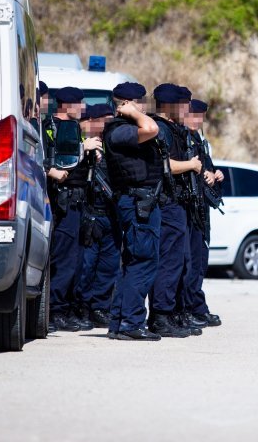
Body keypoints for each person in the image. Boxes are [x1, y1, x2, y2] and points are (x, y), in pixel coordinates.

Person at [103, 82, 163, 341]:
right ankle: (130, 323)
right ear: (128, 103)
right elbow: (151, 128)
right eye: (141, 102)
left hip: (139, 203)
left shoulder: (124, 129)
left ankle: (120, 322)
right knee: (142, 262)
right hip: (138, 205)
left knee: (133, 263)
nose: (145, 107)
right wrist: (134, 113)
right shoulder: (120, 130)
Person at [148, 84, 202, 338]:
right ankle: (160, 316)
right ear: (170, 107)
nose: (187, 110)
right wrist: (191, 165)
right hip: (168, 202)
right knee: (169, 261)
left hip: (177, 202)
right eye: (183, 105)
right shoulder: (162, 131)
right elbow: (163, 164)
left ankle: (173, 313)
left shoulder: (173, 130)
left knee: (181, 262)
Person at [46, 86, 101, 333]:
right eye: (78, 104)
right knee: (64, 261)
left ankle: (67, 310)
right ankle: (55, 311)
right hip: (63, 202)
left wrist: (91, 155)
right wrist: (83, 149)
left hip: (80, 202)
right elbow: (51, 159)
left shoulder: (75, 130)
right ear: (66, 106)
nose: (82, 109)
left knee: (76, 262)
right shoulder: (50, 128)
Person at [75, 103, 121, 329]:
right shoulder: (81, 145)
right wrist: (85, 150)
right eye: (104, 120)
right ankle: (81, 308)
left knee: (108, 266)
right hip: (90, 215)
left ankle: (99, 308)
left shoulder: (114, 146)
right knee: (86, 266)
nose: (108, 125)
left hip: (111, 215)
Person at [180, 98, 224, 328]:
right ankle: (188, 308)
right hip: (187, 208)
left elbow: (207, 167)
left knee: (199, 261)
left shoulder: (199, 141)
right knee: (188, 262)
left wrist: (215, 174)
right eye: (193, 115)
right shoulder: (183, 140)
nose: (197, 120)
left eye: (200, 116)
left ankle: (196, 306)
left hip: (200, 209)